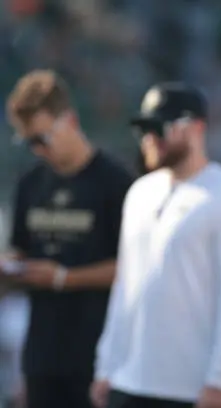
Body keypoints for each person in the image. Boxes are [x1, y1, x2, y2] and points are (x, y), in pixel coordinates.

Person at [91, 82, 221, 408]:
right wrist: (106, 365)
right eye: (144, 130)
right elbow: (125, 288)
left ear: (196, 128)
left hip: (196, 391)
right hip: (130, 382)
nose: (149, 139)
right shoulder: (139, 192)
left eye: (159, 128)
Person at [0, 70, 135, 408]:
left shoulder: (116, 183)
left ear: (70, 120)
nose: (38, 150)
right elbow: (21, 250)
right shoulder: (30, 184)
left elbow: (135, 269)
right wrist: (11, 267)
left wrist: (64, 278)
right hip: (42, 353)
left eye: (42, 138)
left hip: (99, 355)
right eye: (28, 141)